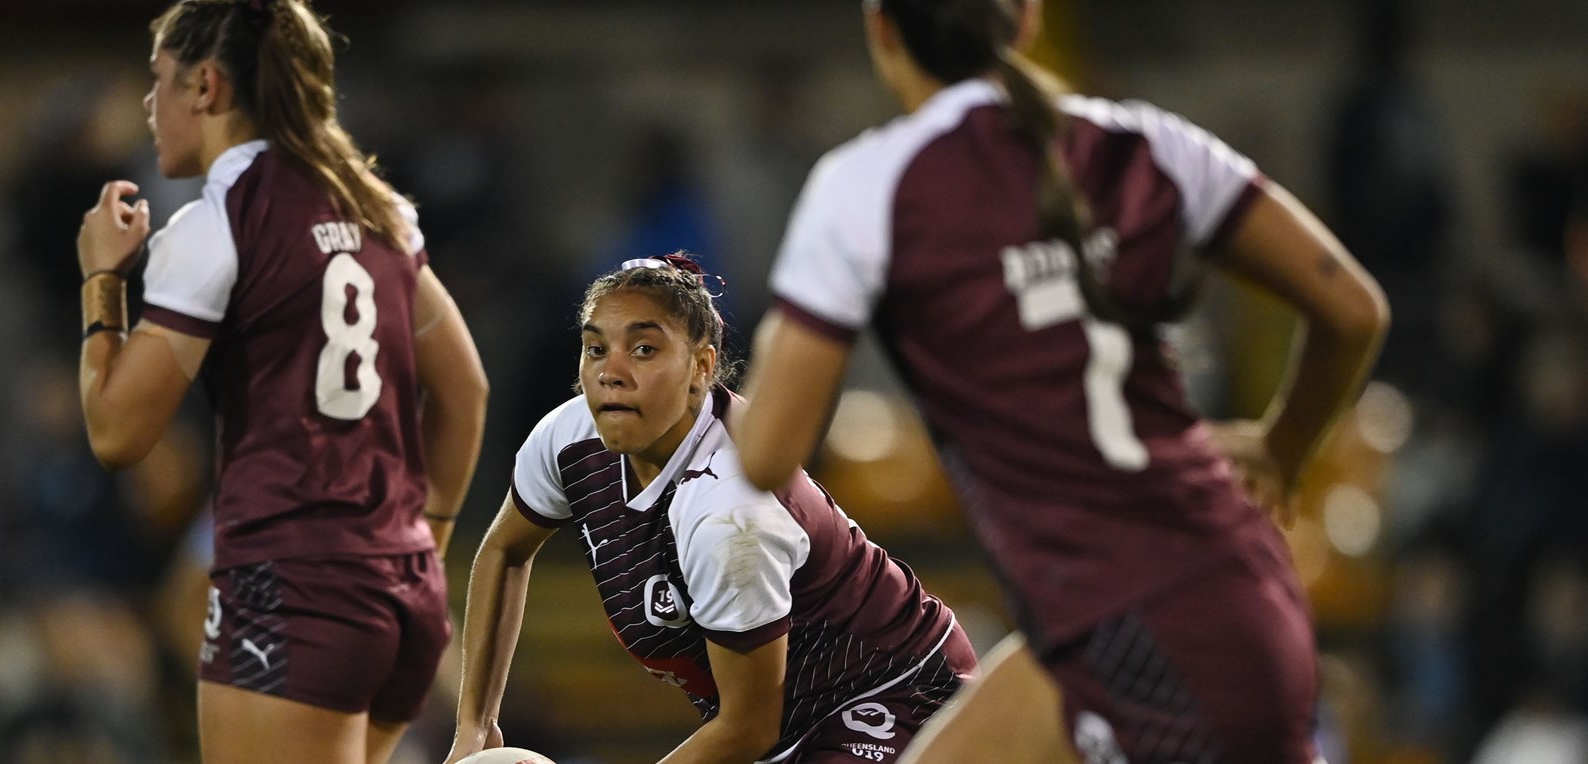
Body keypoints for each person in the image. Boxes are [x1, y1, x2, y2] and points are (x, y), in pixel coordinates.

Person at [731, 0, 1389, 762]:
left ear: (881, 27)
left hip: (1144, 637)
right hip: (1202, 600)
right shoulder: (1146, 142)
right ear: (1027, 19)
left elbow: (768, 454)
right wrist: (1282, 446)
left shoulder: (864, 187)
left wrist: (791, 321)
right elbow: (1353, 310)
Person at [73, 1, 488, 762]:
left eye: (159, 80)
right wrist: (424, 545)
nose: (147, 103)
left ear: (206, 86)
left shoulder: (217, 223)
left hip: (292, 592)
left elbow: (116, 432)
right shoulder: (381, 210)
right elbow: (466, 393)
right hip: (402, 598)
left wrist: (102, 279)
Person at [446, 255, 977, 764]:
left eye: (645, 350)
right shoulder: (568, 437)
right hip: (781, 728)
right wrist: (475, 724)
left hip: (895, 697)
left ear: (701, 366)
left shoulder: (728, 511)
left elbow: (749, 726)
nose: (612, 373)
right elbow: (504, 550)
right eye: (595, 349)